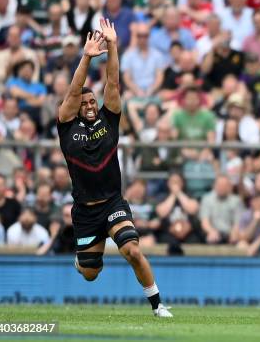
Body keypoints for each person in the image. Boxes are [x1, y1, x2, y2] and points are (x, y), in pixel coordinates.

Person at [56, 18, 172, 317]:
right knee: (90, 273)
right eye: (85, 103)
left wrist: (113, 46)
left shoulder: (110, 119)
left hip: (112, 202)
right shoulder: (67, 126)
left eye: (93, 101)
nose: (91, 105)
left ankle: (158, 306)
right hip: (84, 210)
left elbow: (113, 82)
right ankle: (82, 260)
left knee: (132, 250)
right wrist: (86, 56)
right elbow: (72, 94)